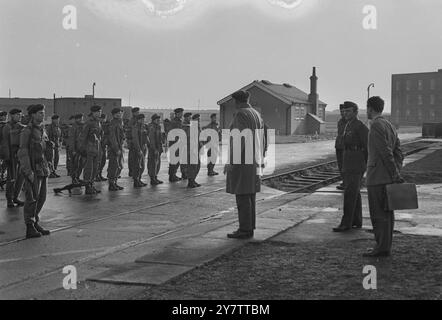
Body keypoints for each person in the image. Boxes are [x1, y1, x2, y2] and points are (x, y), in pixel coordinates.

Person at [364, 96, 404, 257]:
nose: (366, 111)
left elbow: (385, 152)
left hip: (377, 178)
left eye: (367, 108)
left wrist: (394, 174)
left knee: (378, 214)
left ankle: (381, 247)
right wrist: (396, 171)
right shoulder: (389, 125)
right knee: (387, 214)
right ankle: (384, 246)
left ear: (370, 108)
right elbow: (399, 151)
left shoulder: (376, 126)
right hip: (386, 176)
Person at [225, 90, 266, 239]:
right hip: (254, 160)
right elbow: (263, 139)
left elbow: (239, 139)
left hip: (243, 162)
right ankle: (249, 227)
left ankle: (244, 229)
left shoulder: (240, 114)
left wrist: (231, 162)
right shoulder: (256, 114)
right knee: (250, 195)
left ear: (236, 102)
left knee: (242, 196)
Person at [333, 101, 369, 232]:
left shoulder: (360, 127)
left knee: (349, 194)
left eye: (349, 111)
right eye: (345, 111)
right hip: (348, 161)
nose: (345, 113)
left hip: (356, 163)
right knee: (355, 193)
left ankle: (346, 223)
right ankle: (356, 220)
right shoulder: (348, 125)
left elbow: (368, 147)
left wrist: (365, 165)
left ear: (356, 112)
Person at [17, 104, 50, 239]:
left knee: (42, 198)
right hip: (33, 170)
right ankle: (30, 227)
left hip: (42, 168)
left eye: (43, 113)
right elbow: (22, 152)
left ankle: (35, 222)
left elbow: (43, 149)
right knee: (32, 199)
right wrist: (28, 171)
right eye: (40, 113)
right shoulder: (27, 131)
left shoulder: (42, 130)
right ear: (33, 115)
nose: (42, 115)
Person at [2, 108, 25, 208]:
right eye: (17, 115)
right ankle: (9, 200)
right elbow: (5, 143)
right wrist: (7, 157)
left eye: (20, 115)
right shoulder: (7, 127)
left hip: (20, 155)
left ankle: (16, 197)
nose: (19, 116)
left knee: (21, 178)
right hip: (11, 155)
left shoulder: (21, 126)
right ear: (12, 116)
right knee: (11, 179)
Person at [79, 106, 103, 195]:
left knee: (95, 169)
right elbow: (82, 137)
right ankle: (87, 187)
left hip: (96, 149)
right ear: (93, 112)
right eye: (98, 112)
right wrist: (82, 149)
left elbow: (99, 137)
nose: (99, 113)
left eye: (100, 112)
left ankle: (91, 185)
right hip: (89, 149)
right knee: (89, 169)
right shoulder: (88, 123)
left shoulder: (98, 123)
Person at [107, 108, 125, 191]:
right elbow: (112, 137)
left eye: (120, 113)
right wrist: (116, 148)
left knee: (119, 166)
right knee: (113, 166)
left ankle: (115, 182)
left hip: (119, 147)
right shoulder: (112, 124)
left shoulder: (120, 123)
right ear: (113, 115)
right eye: (117, 113)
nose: (119, 114)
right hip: (114, 148)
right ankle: (111, 184)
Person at [132, 114, 149, 187]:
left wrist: (149, 145)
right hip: (138, 148)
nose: (143, 121)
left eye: (143, 119)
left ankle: (139, 179)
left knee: (142, 165)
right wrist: (139, 149)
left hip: (143, 147)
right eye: (141, 119)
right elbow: (135, 139)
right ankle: (136, 181)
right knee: (137, 165)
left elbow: (146, 137)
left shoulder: (144, 127)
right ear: (138, 120)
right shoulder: (136, 127)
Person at [67, 113, 85, 183]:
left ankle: (77, 177)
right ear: (76, 119)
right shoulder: (73, 127)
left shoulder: (83, 126)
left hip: (81, 149)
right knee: (75, 165)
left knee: (81, 165)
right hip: (75, 149)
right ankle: (74, 179)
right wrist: (73, 150)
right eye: (79, 118)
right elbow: (72, 139)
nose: (81, 119)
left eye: (82, 118)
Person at [186, 113, 202, 188]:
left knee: (197, 166)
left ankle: (193, 180)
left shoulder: (197, 128)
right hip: (191, 150)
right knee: (192, 166)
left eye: (199, 119)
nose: (199, 121)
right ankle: (190, 182)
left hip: (196, 150)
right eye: (197, 119)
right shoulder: (191, 128)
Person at [147, 113, 164, 186]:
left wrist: (160, 148)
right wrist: (154, 149)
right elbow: (151, 139)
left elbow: (160, 138)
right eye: (157, 120)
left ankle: (155, 177)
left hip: (158, 148)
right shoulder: (151, 127)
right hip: (153, 148)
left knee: (157, 163)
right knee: (153, 163)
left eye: (159, 120)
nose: (159, 121)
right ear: (153, 120)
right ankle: (152, 178)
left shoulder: (158, 127)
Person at [168, 108, 184, 182]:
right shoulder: (173, 122)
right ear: (177, 114)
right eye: (181, 113)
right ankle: (172, 176)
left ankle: (173, 175)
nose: (182, 114)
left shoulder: (179, 121)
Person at [335, 104, 347, 190]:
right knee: (340, 165)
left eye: (344, 111)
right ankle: (344, 181)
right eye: (341, 111)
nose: (342, 113)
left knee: (345, 165)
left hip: (345, 147)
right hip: (339, 146)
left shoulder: (349, 121)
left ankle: (346, 182)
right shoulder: (340, 122)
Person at [127, 107, 140, 178]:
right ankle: (131, 171)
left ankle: (133, 170)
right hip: (132, 141)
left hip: (135, 140)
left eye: (138, 112)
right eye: (137, 112)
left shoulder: (137, 120)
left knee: (135, 157)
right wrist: (130, 141)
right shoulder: (132, 121)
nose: (138, 113)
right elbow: (129, 131)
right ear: (133, 113)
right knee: (132, 157)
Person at [96, 113, 109, 182]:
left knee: (103, 161)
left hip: (103, 146)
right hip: (98, 146)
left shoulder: (105, 126)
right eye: (103, 118)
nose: (104, 119)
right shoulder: (98, 125)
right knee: (98, 161)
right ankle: (96, 175)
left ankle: (99, 174)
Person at [180, 112, 192, 180]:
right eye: (189, 117)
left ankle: (186, 172)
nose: (190, 119)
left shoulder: (188, 124)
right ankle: (184, 173)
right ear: (186, 117)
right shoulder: (184, 125)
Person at [0, 111, 9, 189]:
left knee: (5, 165)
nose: (5, 117)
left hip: (6, 148)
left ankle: (2, 177)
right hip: (2, 147)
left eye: (6, 116)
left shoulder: (7, 125)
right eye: (4, 116)